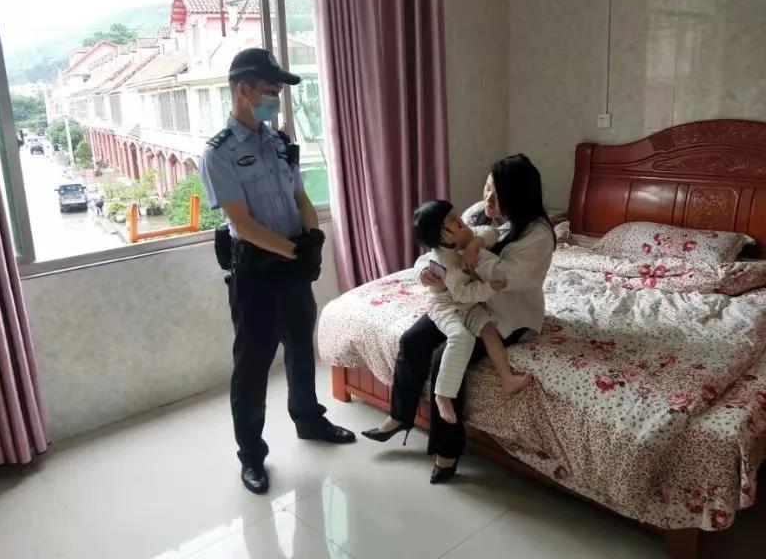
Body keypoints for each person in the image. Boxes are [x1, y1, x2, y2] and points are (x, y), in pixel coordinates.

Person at [199, 48, 355, 496]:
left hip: (292, 264)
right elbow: (241, 223)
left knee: (301, 347)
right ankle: (251, 454)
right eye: (269, 90)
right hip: (255, 272)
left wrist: (312, 238)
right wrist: (293, 252)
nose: (275, 98)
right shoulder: (219, 153)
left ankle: (308, 419)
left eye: (277, 91)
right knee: (253, 365)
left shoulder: (280, 143)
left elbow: (300, 198)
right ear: (243, 90)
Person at [362, 154, 555, 484]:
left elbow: (506, 278)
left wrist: (472, 247)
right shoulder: (478, 214)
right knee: (413, 340)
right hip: (462, 302)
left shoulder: (537, 235)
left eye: (498, 195)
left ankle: (447, 449)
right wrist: (425, 274)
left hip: (506, 313)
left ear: (519, 197)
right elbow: (437, 251)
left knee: (445, 359)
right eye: (487, 188)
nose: (488, 199)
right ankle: (400, 416)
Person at [413, 200, 533, 424]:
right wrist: (489, 288)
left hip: (468, 305)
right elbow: (462, 294)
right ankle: (442, 395)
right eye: (454, 221)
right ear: (443, 235)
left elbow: (491, 232)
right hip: (447, 306)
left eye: (458, 216)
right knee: (462, 338)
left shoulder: (461, 238)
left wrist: (473, 245)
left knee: (489, 330)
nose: (461, 221)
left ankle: (507, 379)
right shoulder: (445, 261)